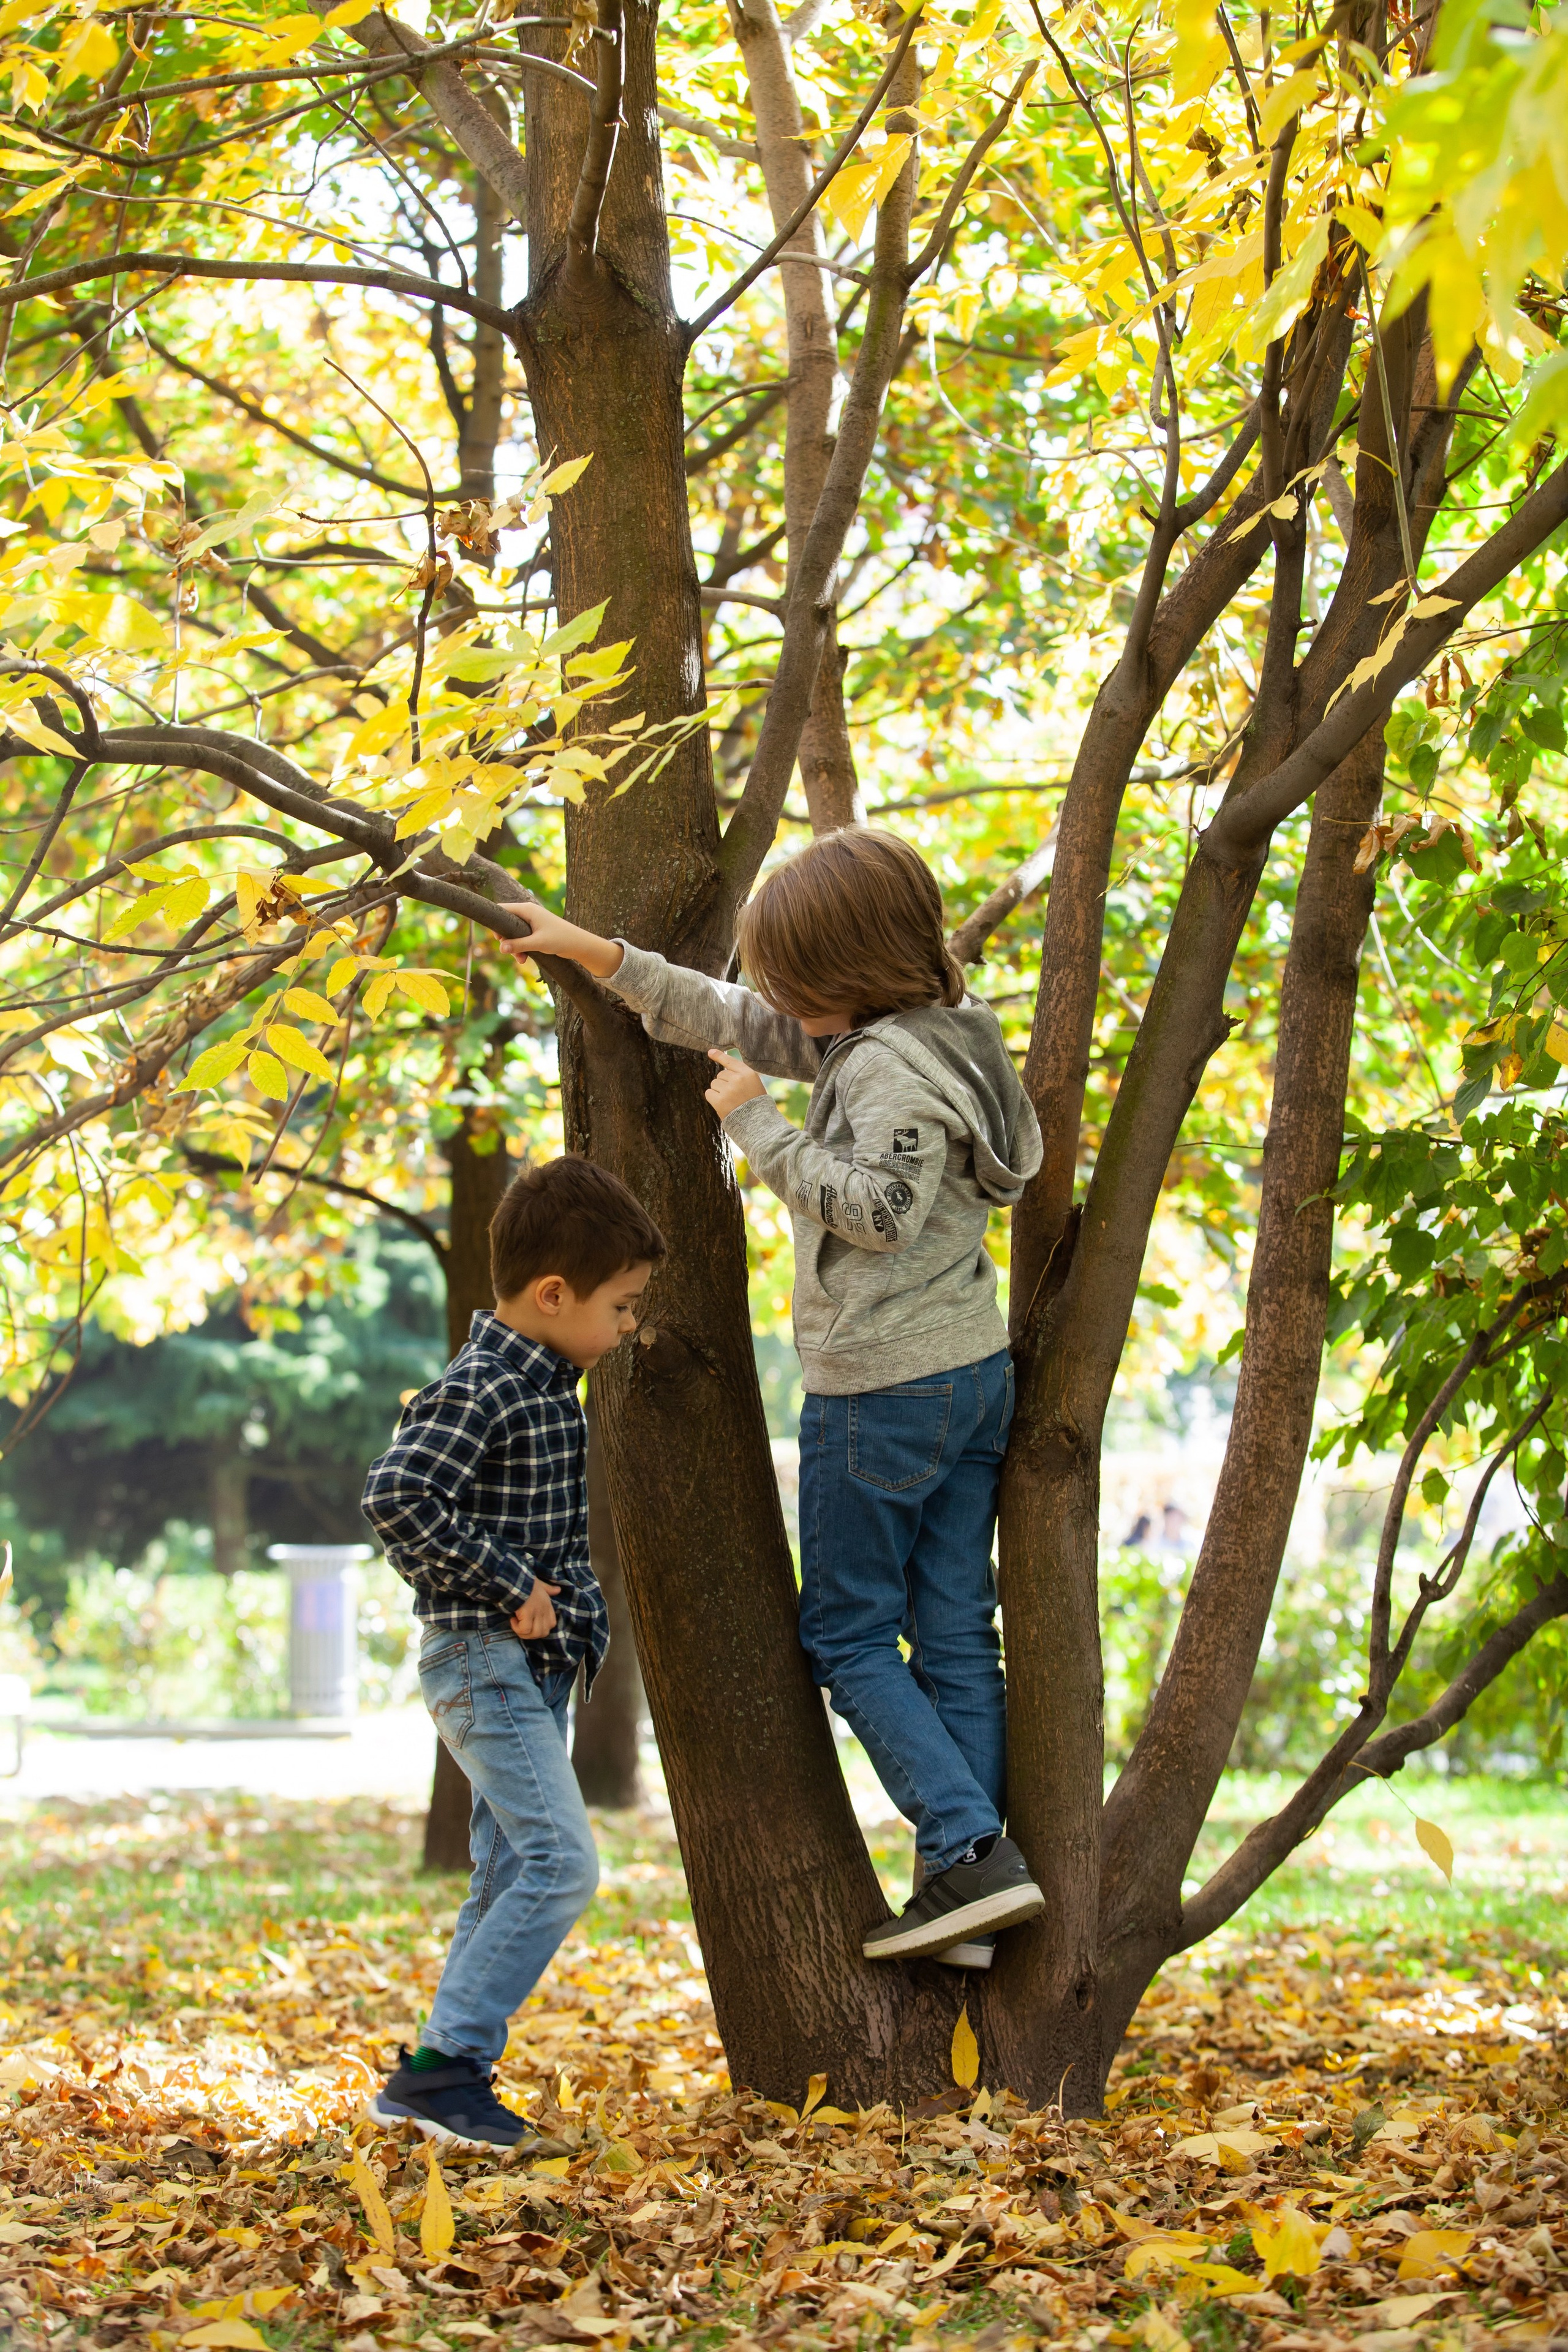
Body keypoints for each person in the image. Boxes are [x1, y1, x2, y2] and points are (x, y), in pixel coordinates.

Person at [503, 827, 1046, 1971]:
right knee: (951, 1631)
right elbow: (733, 1016)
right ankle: (972, 1889)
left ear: (846, 973)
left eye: (790, 977)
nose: (775, 1000)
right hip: (970, 1374)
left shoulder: (887, 1068)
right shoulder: (937, 1036)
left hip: (885, 1390)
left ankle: (968, 1849)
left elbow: (878, 1212)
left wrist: (753, 1120)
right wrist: (599, 955)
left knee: (848, 1632)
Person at [361, 1155, 665, 2147]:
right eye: (620, 1307)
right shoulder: (486, 1383)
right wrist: (511, 1583)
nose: (627, 1328)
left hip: (524, 1671)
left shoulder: (545, 1384)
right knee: (561, 1865)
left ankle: (448, 2081)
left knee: (503, 1876)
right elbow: (396, 1498)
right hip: (483, 1658)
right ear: (552, 1294)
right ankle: (443, 2070)